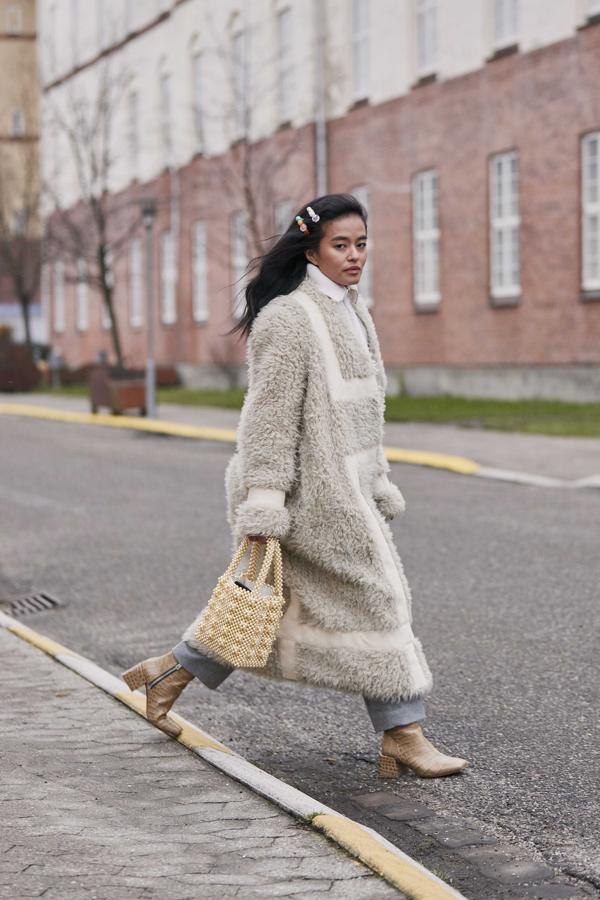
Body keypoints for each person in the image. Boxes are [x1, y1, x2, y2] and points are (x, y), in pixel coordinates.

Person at [122, 193, 468, 779]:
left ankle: (165, 674)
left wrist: (378, 481)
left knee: (267, 610)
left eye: (361, 244)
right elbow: (268, 418)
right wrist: (264, 503)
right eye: (341, 245)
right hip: (310, 499)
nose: (355, 256)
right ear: (309, 249)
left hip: (352, 493)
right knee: (380, 599)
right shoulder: (287, 318)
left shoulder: (355, 312)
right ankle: (404, 736)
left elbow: (367, 414)